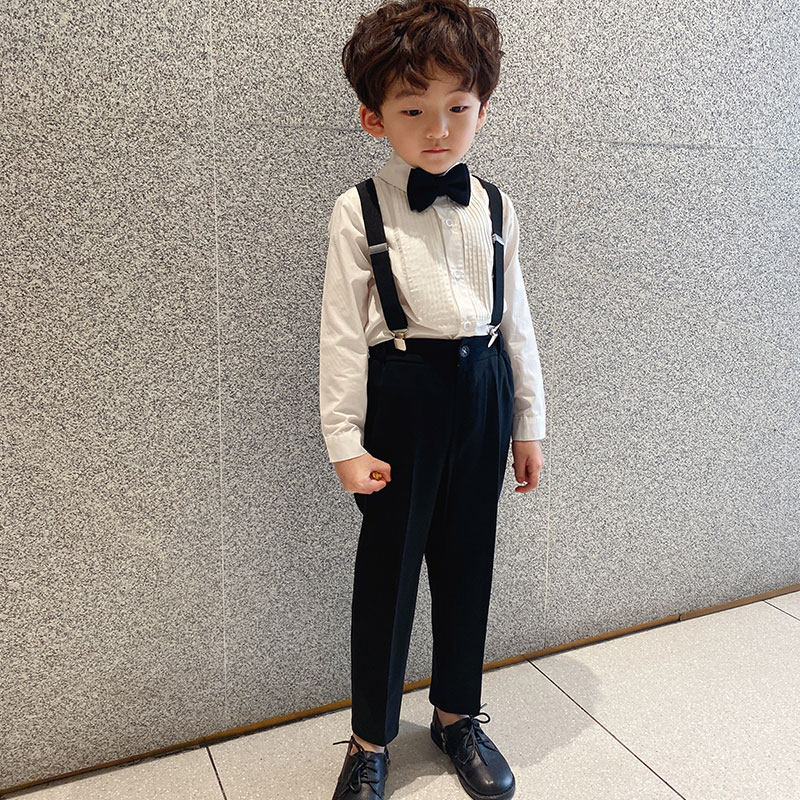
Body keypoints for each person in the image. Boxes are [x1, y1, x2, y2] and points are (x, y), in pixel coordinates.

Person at [319, 1, 546, 797]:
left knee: (467, 562)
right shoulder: (358, 209)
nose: (439, 129)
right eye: (413, 110)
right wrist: (344, 440)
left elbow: (516, 321)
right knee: (387, 572)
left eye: (459, 107)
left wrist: (528, 424)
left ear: (483, 108)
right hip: (402, 395)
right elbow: (341, 336)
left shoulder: (498, 206)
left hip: (483, 390)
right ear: (373, 117)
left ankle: (456, 716)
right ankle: (370, 740)